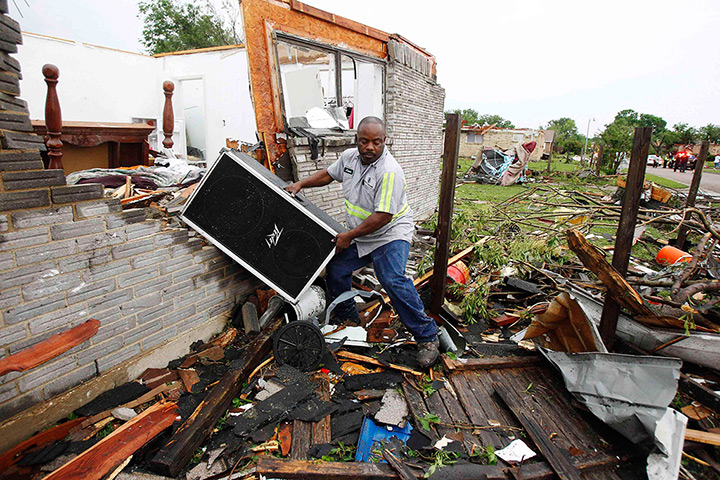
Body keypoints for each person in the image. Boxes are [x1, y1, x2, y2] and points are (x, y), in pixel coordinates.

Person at [284, 116, 440, 367]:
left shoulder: (390, 172)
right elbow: (329, 175)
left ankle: (427, 336)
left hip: (389, 233)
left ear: (384, 141)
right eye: (364, 141)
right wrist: (301, 184)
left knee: (391, 278)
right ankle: (349, 319)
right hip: (361, 232)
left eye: (376, 142)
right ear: (356, 139)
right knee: (337, 268)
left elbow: (383, 217)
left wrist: (348, 236)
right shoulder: (349, 158)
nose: (370, 147)